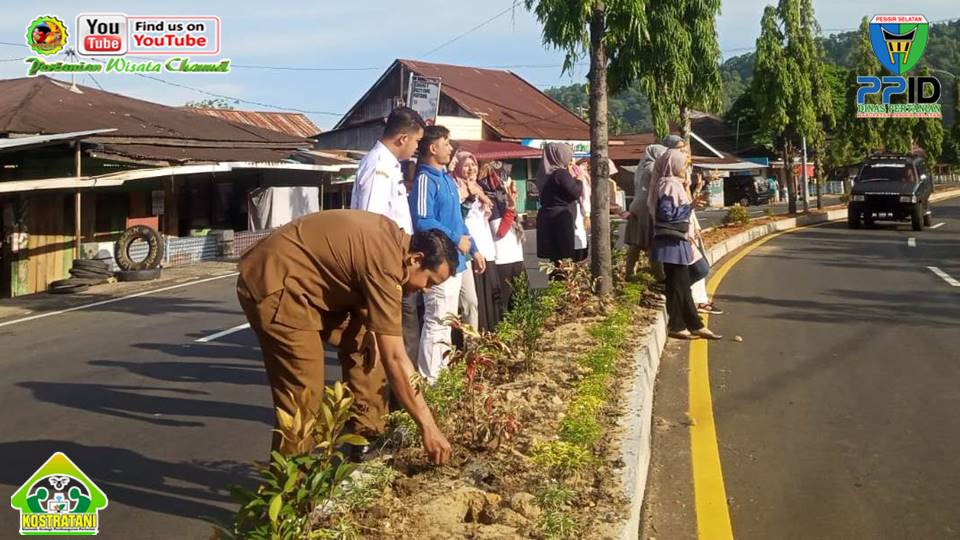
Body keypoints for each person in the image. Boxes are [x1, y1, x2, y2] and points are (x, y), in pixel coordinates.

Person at [236, 210, 457, 464]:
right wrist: (428, 426)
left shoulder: (393, 244)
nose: (426, 290)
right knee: (304, 394)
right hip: (277, 284)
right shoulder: (386, 265)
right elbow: (396, 358)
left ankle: (367, 436)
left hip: (310, 287)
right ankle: (291, 482)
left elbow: (354, 272)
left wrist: (373, 325)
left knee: (367, 342)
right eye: (430, 282)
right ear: (416, 259)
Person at [351, 106, 426, 365]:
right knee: (399, 336)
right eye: (416, 141)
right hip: (387, 264)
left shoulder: (389, 164)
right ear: (403, 138)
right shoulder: (379, 165)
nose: (416, 148)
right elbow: (371, 222)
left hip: (396, 260)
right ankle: (401, 387)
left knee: (407, 330)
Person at [410, 125, 485, 382]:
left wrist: (474, 249)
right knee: (436, 321)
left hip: (457, 262)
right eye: (446, 144)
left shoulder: (446, 179)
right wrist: (454, 239)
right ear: (433, 148)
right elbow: (422, 220)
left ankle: (442, 376)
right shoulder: (425, 179)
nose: (450, 148)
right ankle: (431, 382)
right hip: (438, 263)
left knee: (448, 321)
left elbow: (457, 222)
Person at [650, 146, 723, 340]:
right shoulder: (669, 184)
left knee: (681, 284)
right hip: (671, 241)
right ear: (673, 164)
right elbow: (666, 213)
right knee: (678, 284)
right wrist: (690, 207)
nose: (685, 168)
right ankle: (678, 325)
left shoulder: (673, 183)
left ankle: (693, 324)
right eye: (683, 164)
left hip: (676, 240)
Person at [452, 151, 502, 332]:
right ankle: (473, 334)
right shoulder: (455, 187)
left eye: (473, 164)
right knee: (471, 298)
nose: (471, 168)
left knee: (483, 295)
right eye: (466, 165)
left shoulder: (479, 188)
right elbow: (457, 216)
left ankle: (486, 334)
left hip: (483, 243)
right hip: (467, 244)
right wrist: (468, 194)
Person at [478, 161, 526, 310]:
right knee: (504, 304)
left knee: (521, 301)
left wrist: (511, 203)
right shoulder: (489, 198)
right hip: (502, 258)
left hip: (516, 255)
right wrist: (510, 208)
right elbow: (499, 232)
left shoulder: (504, 197)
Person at [536, 143, 582, 273]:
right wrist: (579, 179)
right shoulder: (560, 173)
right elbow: (575, 192)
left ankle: (555, 283)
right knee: (565, 259)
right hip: (561, 219)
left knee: (554, 261)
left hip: (547, 217)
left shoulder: (543, 173)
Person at [624, 144, 667, 282]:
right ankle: (659, 275)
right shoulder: (653, 167)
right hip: (648, 207)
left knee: (635, 242)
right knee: (653, 242)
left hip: (636, 205)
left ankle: (629, 273)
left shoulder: (641, 167)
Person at [570, 158, 591, 262]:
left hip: (577, 211)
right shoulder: (578, 175)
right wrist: (587, 214)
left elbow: (585, 195)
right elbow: (584, 195)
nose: (586, 166)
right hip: (576, 211)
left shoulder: (578, 173)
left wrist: (586, 214)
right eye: (583, 164)